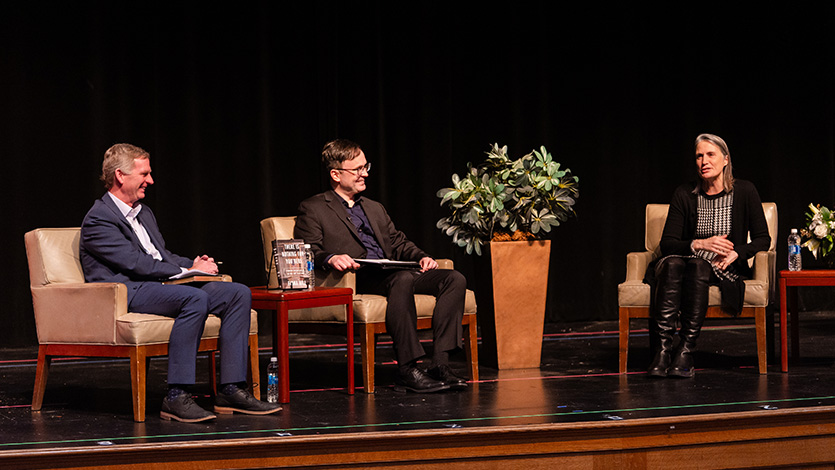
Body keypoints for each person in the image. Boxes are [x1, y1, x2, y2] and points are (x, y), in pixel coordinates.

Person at [80, 143, 281, 422]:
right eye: (144, 174)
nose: (150, 180)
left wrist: (195, 266)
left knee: (237, 293)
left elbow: (161, 255)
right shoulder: (99, 218)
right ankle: (176, 396)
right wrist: (187, 270)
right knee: (194, 297)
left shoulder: (143, 212)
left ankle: (231, 388)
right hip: (127, 290)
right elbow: (135, 263)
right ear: (120, 176)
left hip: (159, 286)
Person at [294, 139, 468, 393]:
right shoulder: (314, 207)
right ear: (335, 174)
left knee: (453, 278)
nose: (365, 174)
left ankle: (440, 365)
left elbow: (397, 242)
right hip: (358, 277)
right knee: (403, 280)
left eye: (366, 167)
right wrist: (330, 257)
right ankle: (407, 369)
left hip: (392, 272)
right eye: (357, 169)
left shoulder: (374, 208)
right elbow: (308, 248)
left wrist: (421, 256)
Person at [647, 133, 770, 378]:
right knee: (672, 265)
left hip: (717, 267)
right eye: (699, 156)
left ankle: (685, 350)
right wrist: (700, 243)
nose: (704, 161)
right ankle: (662, 351)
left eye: (710, 155)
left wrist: (738, 252)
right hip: (682, 263)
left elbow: (763, 238)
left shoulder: (745, 191)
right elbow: (667, 244)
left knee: (699, 267)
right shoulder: (684, 194)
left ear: (725, 160)